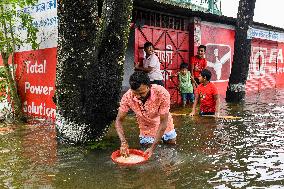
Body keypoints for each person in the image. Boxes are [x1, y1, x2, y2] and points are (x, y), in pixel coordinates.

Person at [115, 71, 177, 158]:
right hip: (146, 128)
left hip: (165, 124)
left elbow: (163, 122)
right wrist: (123, 142)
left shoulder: (161, 93)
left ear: (149, 87)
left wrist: (153, 147)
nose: (137, 96)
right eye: (135, 93)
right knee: (147, 155)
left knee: (171, 148)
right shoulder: (127, 97)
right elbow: (118, 120)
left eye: (141, 93)